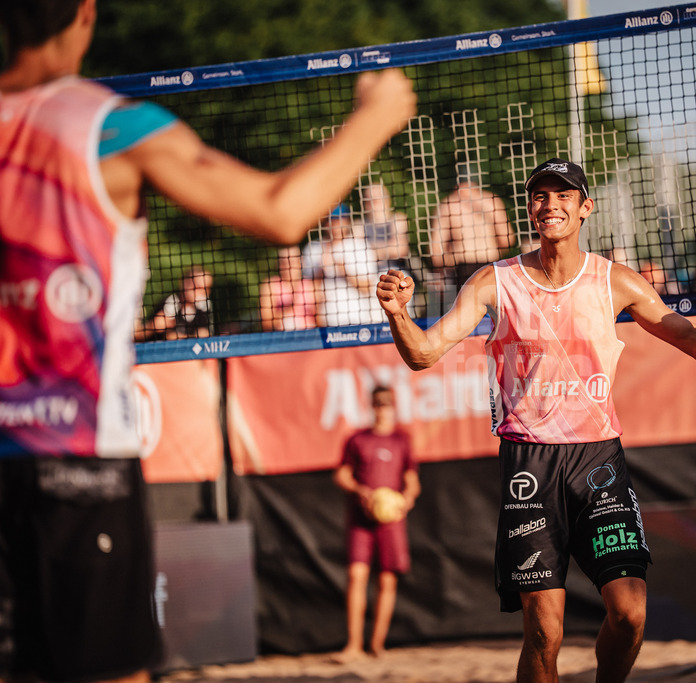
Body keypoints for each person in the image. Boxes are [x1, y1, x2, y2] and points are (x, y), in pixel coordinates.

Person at [0, 2, 416, 682]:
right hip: (75, 456)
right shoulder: (110, 127)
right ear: (86, 13)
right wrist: (376, 114)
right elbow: (281, 211)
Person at [376, 158, 696, 683]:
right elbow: (425, 354)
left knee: (630, 612)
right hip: (530, 461)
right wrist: (399, 313)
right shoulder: (494, 282)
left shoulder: (616, 281)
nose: (551, 204)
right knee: (545, 633)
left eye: (563, 195)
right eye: (541, 196)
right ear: (529, 209)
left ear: (585, 207)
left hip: (597, 460)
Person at [332, 385, 420, 663]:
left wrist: (406, 499)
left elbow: (412, 481)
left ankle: (376, 645)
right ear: (372, 406)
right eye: (378, 404)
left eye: (387, 403)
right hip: (362, 516)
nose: (383, 408)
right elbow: (342, 475)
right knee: (357, 576)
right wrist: (361, 492)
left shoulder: (402, 440)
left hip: (391, 519)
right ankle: (354, 645)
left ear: (394, 406)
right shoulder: (357, 439)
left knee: (386, 579)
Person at [429, 173, 515, 288]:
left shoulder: (448, 205)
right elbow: (507, 240)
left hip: (463, 269)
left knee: (466, 305)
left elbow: (436, 251)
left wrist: (448, 262)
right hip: (491, 266)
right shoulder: (492, 200)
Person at [135, 265, 214, 340]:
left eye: (206, 288)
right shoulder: (171, 303)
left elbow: (205, 335)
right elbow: (170, 337)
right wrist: (152, 327)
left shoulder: (204, 306)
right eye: (197, 286)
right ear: (184, 283)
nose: (201, 292)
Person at [259, 246, 322, 331]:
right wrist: (289, 308)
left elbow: (321, 322)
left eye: (293, 261)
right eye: (284, 262)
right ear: (278, 264)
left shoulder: (312, 287)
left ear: (301, 262)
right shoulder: (270, 286)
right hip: (281, 338)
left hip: (309, 339)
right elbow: (266, 323)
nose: (289, 266)